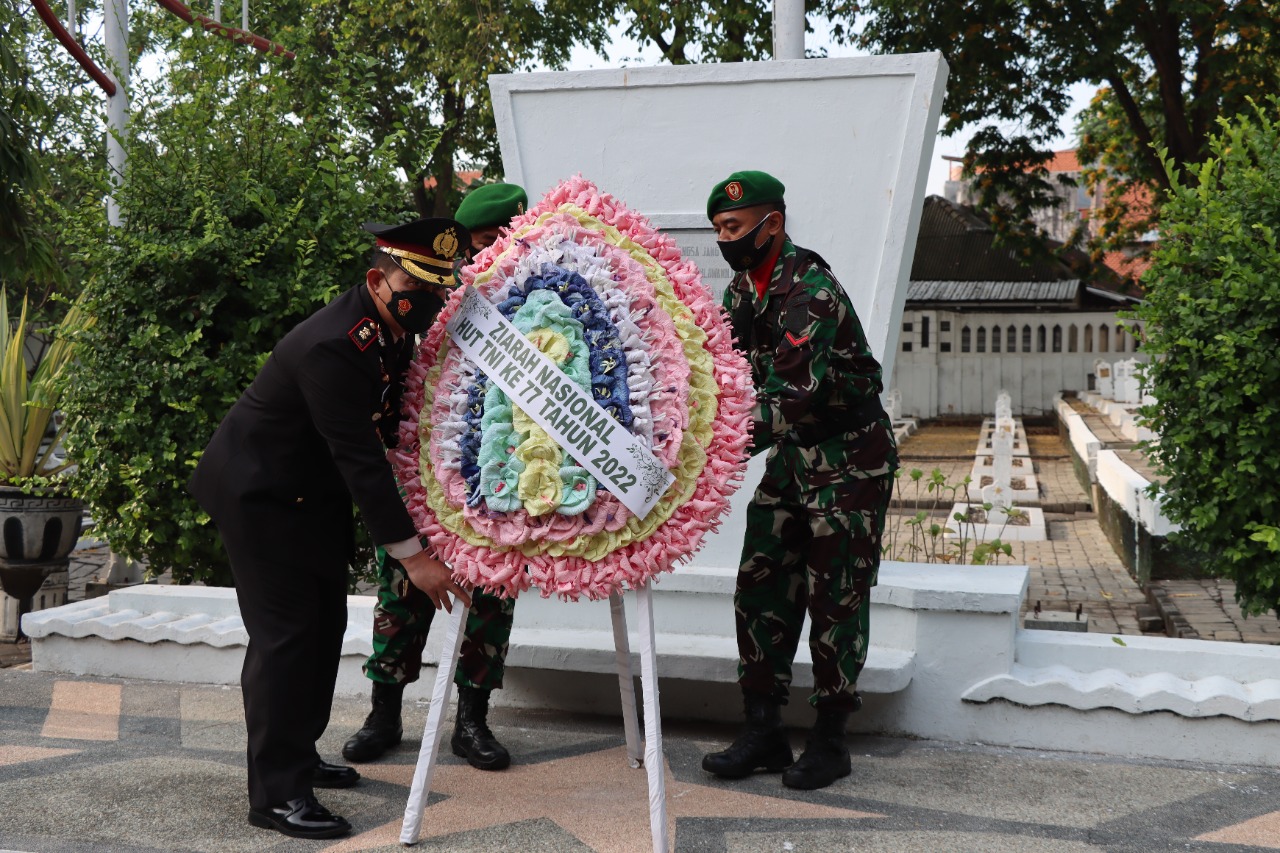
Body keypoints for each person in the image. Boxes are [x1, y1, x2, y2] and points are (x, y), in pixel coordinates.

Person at [189, 217, 473, 840]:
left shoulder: (390, 333)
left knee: (324, 629)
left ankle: (298, 754)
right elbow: (361, 459)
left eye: (437, 285)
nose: (426, 297)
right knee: (287, 641)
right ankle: (276, 794)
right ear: (378, 280)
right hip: (260, 498)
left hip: (306, 498)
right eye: (415, 284)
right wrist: (413, 556)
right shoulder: (335, 346)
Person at [700, 171, 898, 791]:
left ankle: (831, 740)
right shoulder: (742, 290)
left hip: (849, 458)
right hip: (791, 457)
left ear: (773, 225)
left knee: (835, 598)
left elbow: (789, 396)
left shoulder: (809, 290)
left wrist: (703, 458)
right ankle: (763, 732)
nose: (725, 240)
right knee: (760, 585)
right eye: (719, 231)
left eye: (734, 228)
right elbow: (723, 373)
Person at [342, 182, 529, 773]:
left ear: (516, 233)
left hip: (504, 471)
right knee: (402, 589)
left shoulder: (537, 294)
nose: (478, 257)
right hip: (425, 467)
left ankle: (472, 721)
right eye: (471, 247)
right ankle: (384, 712)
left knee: (490, 596)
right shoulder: (437, 295)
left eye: (489, 242)